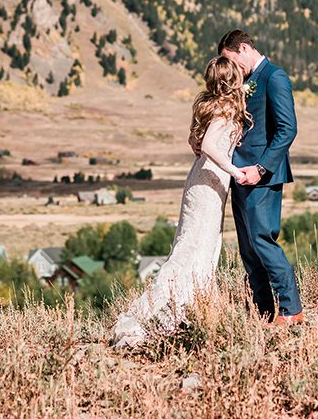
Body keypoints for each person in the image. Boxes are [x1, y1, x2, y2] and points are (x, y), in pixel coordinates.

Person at [112, 56, 249, 347]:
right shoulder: (225, 108)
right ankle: (168, 309)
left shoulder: (208, 106)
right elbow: (210, 145)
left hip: (202, 178)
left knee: (200, 244)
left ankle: (198, 309)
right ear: (232, 78)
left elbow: (195, 144)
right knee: (195, 246)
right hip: (211, 180)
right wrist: (235, 170)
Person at [215, 29, 303, 325]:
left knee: (263, 241)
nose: (232, 69)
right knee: (248, 248)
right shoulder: (247, 81)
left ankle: (291, 310)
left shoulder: (274, 77)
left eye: (231, 60)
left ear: (243, 48)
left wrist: (261, 168)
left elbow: (287, 130)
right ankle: (263, 312)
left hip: (262, 176)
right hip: (239, 174)